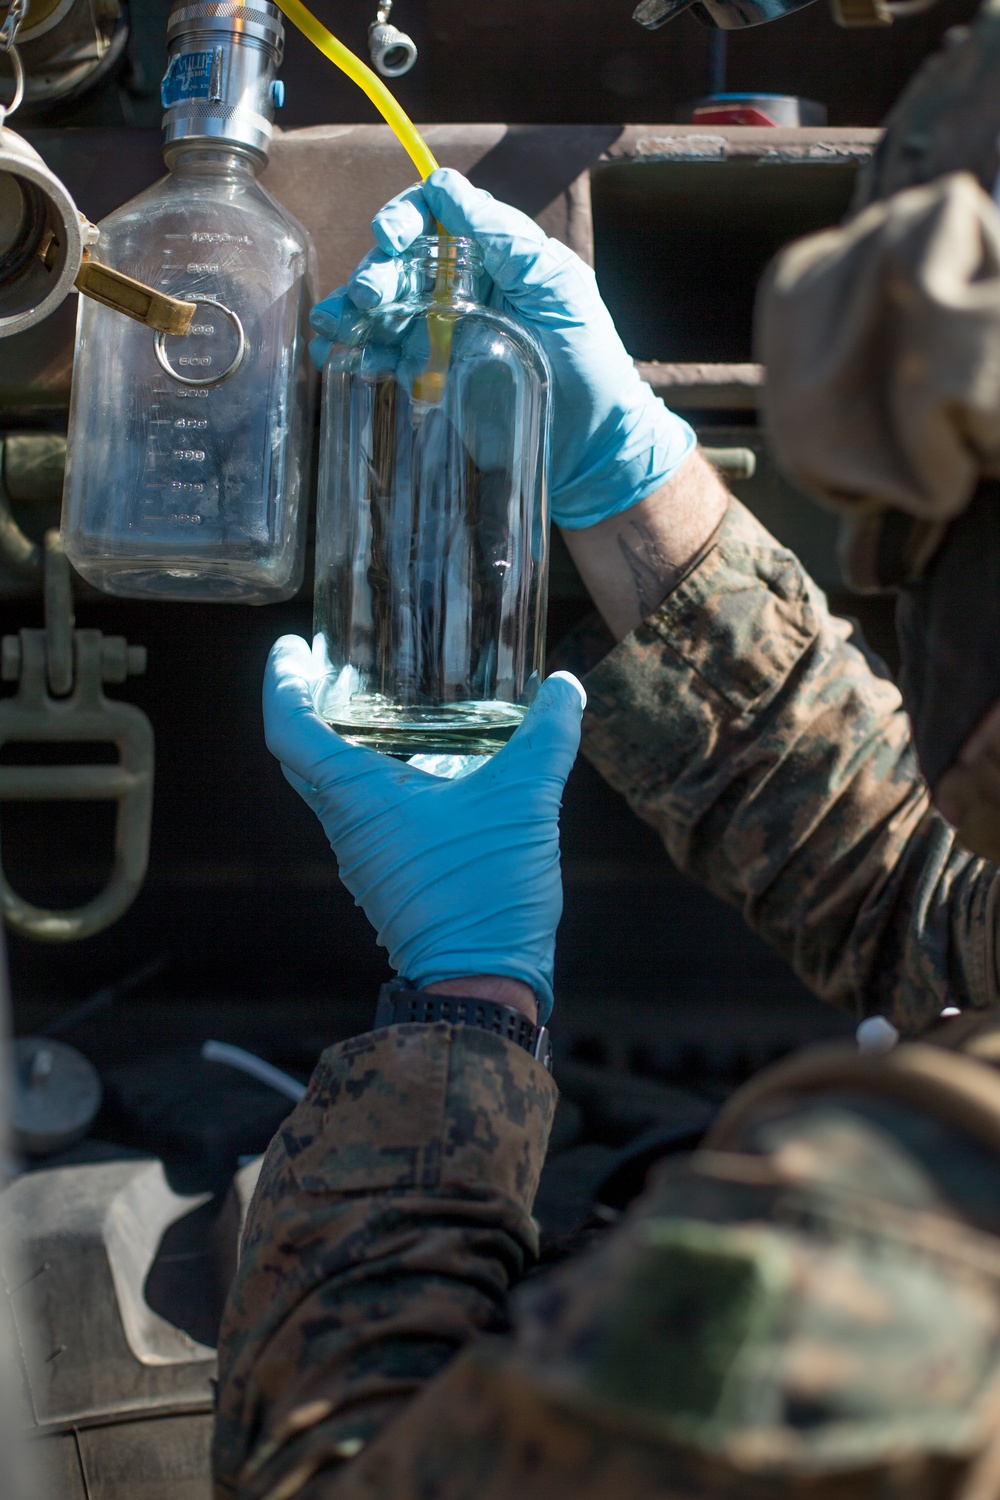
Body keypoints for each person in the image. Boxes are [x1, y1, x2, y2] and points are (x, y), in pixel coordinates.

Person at [211, 144, 1000, 1493]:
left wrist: (461, 1008)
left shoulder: (891, 1252)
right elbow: (935, 914)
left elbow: (337, 1475)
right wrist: (635, 491)